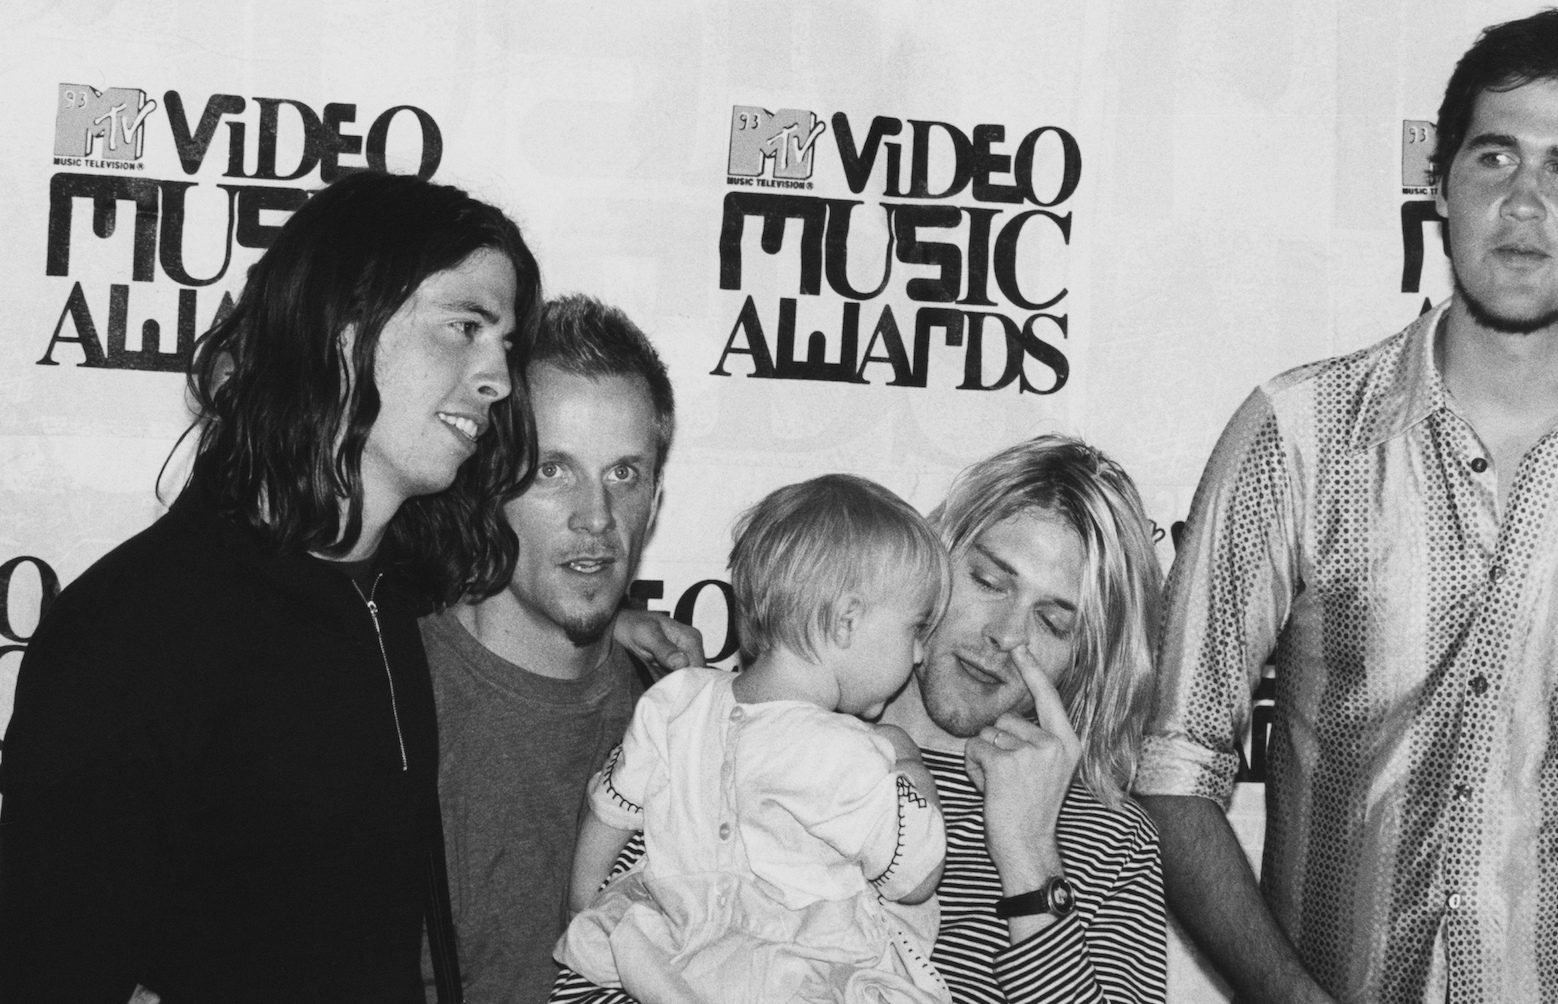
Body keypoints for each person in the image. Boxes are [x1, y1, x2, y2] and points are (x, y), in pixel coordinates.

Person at [1136, 11, 1558, 1004]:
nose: (1524, 202)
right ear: (1440, 185)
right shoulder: (1295, 435)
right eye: (1495, 156)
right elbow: (1177, 764)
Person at [0, 171, 541, 1002]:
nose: (497, 377)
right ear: (343, 324)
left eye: (504, 343)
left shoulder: (397, 597)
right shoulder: (131, 633)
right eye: (463, 326)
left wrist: (620, 638)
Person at [551, 434, 1169, 1004]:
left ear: (1084, 657)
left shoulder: (1111, 845)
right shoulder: (719, 728)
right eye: (988, 581)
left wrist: (1030, 855)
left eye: (1052, 622)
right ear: (930, 561)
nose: (1004, 636)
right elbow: (591, 977)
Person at [556, 474, 953, 1003]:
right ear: (847, 621)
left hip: (674, 959)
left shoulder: (676, 702)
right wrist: (907, 764)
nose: (920, 654)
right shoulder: (850, 754)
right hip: (801, 978)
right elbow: (914, 875)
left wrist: (583, 907)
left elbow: (608, 811)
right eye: (915, 629)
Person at [422, 294, 701, 1004]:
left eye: (623, 474)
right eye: (553, 470)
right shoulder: (390, 700)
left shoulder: (687, 719)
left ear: (656, 504)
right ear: (487, 486)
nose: (596, 516)